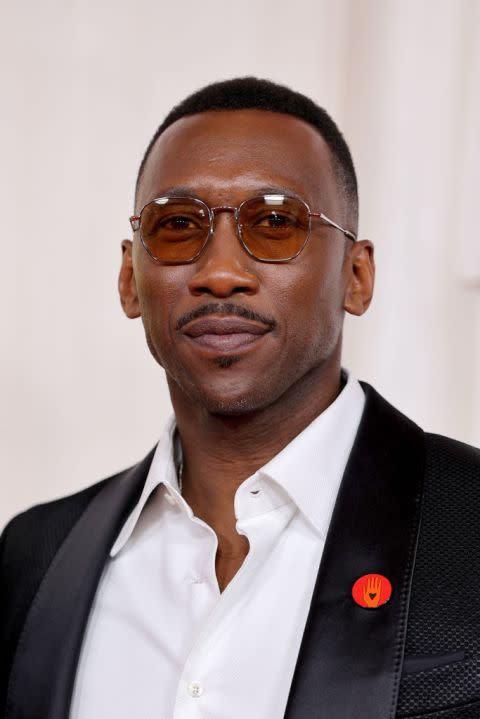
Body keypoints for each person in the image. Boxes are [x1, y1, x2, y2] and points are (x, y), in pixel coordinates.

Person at [1, 77, 479, 719]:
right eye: (177, 226)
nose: (220, 272)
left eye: (276, 222)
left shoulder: (468, 525)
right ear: (129, 279)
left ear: (356, 277)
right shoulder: (34, 556)